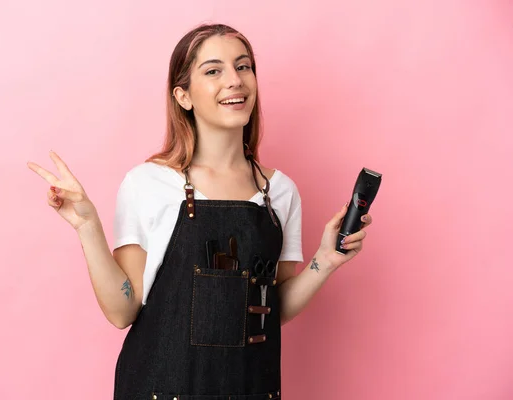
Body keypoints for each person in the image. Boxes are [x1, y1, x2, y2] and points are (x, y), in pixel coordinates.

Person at [28, 23, 372, 400]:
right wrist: (88, 226)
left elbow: (272, 308)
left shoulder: (281, 193)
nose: (235, 81)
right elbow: (122, 311)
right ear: (183, 96)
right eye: (213, 71)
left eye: (243, 67)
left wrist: (325, 260)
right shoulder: (148, 184)